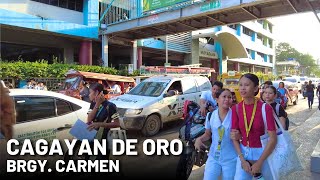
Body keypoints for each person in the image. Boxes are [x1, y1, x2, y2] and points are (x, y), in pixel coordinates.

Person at [231, 73, 277, 180]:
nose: (242, 88)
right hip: (243, 153)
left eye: (246, 85)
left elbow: (273, 139)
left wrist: (260, 162)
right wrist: (242, 159)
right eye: (240, 84)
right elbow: (234, 137)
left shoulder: (265, 108)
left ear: (256, 88)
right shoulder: (236, 108)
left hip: (264, 154)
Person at [195, 88, 237, 180]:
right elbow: (207, 134)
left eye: (229, 97)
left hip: (231, 158)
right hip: (214, 157)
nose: (227, 99)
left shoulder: (235, 115)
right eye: (224, 97)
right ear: (217, 99)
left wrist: (239, 136)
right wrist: (199, 139)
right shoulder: (210, 116)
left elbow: (241, 135)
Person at [86, 83, 120, 160]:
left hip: (103, 140)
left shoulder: (110, 106)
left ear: (97, 93)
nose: (88, 95)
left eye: (90, 92)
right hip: (91, 138)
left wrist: (100, 124)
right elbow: (89, 119)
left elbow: (117, 123)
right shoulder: (93, 104)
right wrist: (97, 104)